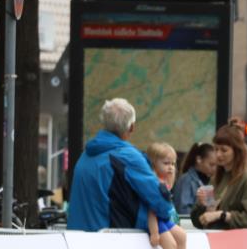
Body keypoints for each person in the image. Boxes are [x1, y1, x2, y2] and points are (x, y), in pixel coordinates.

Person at [68, 98, 174, 232]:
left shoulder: (86, 154)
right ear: (132, 127)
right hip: (113, 243)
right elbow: (160, 202)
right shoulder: (128, 157)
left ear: (104, 123)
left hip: (76, 242)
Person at [144, 142, 204, 249]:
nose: (171, 167)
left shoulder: (164, 182)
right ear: (153, 163)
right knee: (170, 246)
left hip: (164, 219)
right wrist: (155, 232)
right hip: (157, 221)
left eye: (173, 164)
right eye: (166, 163)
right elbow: (151, 210)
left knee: (182, 236)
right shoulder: (153, 183)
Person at [191, 124, 247, 229]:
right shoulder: (215, 178)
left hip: (236, 243)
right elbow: (200, 221)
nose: (218, 154)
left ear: (237, 151)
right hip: (214, 240)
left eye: (224, 150)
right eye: (216, 149)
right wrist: (203, 206)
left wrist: (221, 215)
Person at [172, 142, 216, 214]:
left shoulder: (209, 181)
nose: (215, 169)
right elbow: (183, 210)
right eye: (211, 165)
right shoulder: (186, 180)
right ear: (199, 159)